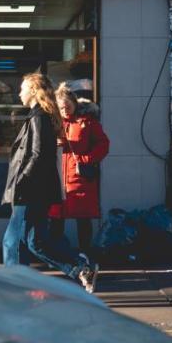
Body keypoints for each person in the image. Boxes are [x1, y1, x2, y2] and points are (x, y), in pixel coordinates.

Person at [1, 73, 97, 292]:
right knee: (36, 241)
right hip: (39, 189)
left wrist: (22, 181)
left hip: (29, 189)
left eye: (23, 88)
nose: (19, 92)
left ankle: (14, 285)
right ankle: (80, 268)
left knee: (13, 239)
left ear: (34, 90)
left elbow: (36, 154)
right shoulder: (41, 116)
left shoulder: (38, 117)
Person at [48, 84, 110, 255]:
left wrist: (85, 159)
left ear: (75, 104)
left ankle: (85, 255)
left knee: (83, 218)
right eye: (61, 107)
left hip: (79, 177)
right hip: (57, 176)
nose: (65, 110)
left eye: (68, 106)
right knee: (55, 219)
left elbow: (103, 144)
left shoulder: (87, 122)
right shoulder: (52, 123)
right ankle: (57, 256)